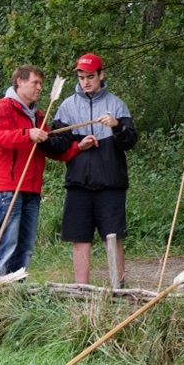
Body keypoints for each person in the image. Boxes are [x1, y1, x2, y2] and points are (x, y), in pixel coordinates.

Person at [41, 53, 139, 286]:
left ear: (101, 75)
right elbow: (58, 145)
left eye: (91, 76)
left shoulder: (116, 104)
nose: (86, 81)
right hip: (78, 183)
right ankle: (81, 289)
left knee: (112, 239)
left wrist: (117, 126)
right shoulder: (67, 106)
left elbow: (131, 142)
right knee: (80, 239)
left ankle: (118, 286)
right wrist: (76, 144)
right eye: (82, 77)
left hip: (111, 183)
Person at [0, 65, 65, 277]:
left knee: (25, 246)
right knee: (6, 241)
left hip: (32, 188)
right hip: (8, 187)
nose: (39, 88)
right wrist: (26, 134)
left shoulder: (38, 115)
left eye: (41, 84)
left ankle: (16, 289)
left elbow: (51, 148)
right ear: (20, 81)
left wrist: (76, 148)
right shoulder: (4, 108)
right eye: (35, 82)